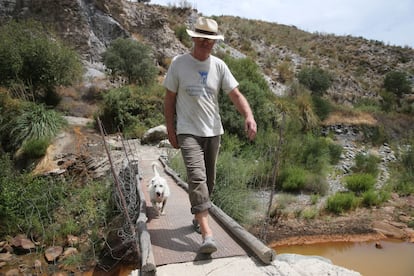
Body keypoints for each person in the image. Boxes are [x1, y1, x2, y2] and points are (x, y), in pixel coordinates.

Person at [163, 17, 257, 254]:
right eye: (203, 38)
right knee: (196, 177)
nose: (206, 43)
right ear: (194, 37)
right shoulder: (178, 64)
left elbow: (235, 94)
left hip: (213, 131)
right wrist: (170, 130)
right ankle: (207, 234)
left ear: (215, 42)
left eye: (211, 39)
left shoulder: (219, 66)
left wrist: (249, 116)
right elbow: (169, 99)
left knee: (209, 181)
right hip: (187, 131)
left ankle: (197, 218)